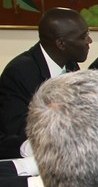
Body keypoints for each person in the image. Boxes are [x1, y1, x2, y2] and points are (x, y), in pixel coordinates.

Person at [0, 7, 91, 138]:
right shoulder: (19, 72)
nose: (89, 41)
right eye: (83, 37)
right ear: (61, 43)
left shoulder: (71, 65)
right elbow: (18, 129)